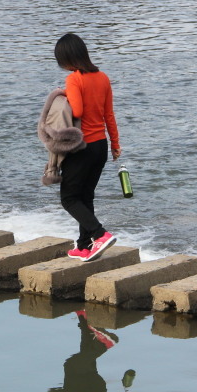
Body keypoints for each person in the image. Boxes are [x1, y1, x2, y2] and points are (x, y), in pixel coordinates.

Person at [54, 33, 121, 261]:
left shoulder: (75, 79)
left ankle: (100, 234)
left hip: (81, 147)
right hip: (100, 146)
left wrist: (63, 97)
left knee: (69, 198)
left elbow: (78, 111)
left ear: (68, 57)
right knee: (86, 196)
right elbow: (108, 114)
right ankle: (84, 246)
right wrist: (115, 144)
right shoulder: (103, 77)